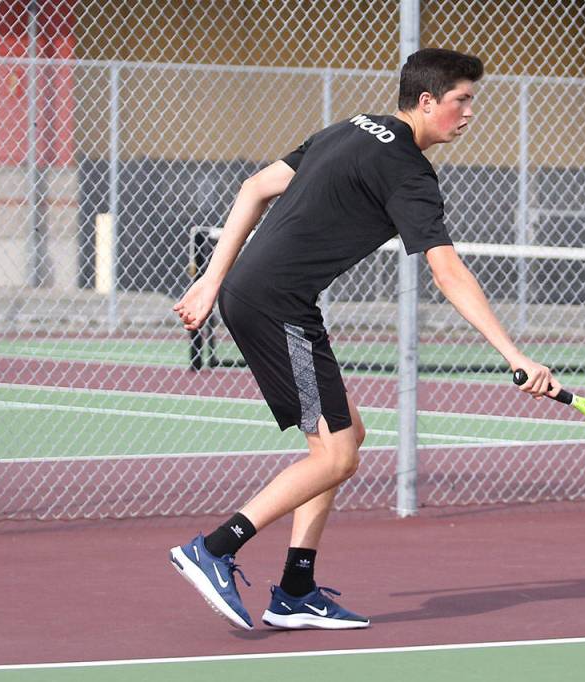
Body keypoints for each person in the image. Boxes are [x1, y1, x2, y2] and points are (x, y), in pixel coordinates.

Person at [168, 48, 559, 631]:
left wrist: (211, 279)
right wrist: (514, 355)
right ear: (427, 102)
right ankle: (216, 548)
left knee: (346, 435)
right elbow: (448, 272)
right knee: (338, 453)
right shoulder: (408, 171)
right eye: (462, 100)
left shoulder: (353, 126)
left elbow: (254, 187)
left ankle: (296, 588)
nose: (470, 112)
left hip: (266, 297)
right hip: (277, 306)